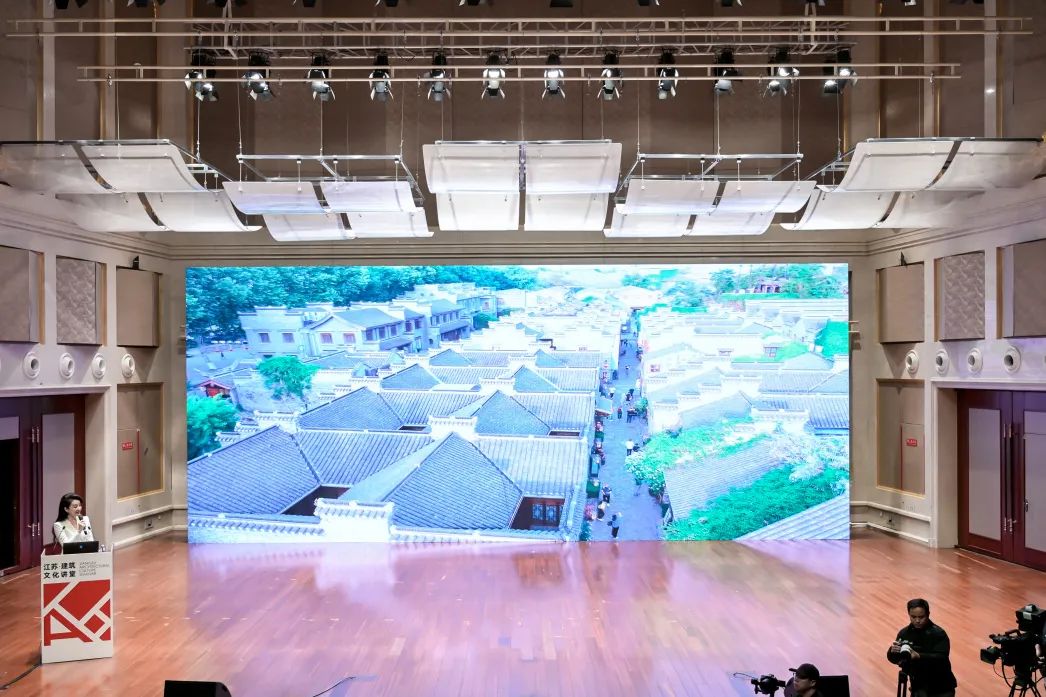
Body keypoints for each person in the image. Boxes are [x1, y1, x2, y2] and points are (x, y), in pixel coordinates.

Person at [887, 598, 958, 697]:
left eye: (921, 617)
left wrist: (919, 656)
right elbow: (897, 659)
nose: (917, 620)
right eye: (913, 617)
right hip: (918, 687)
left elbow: (941, 657)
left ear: (928, 614)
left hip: (941, 688)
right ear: (909, 614)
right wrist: (892, 652)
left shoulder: (938, 634)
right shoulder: (904, 633)